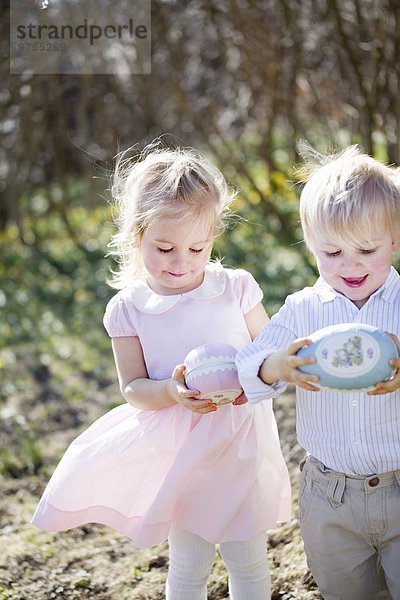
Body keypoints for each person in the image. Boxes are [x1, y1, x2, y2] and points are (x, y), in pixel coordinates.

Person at [32, 143, 291, 600]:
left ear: (214, 237)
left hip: (240, 442)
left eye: (198, 247)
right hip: (183, 452)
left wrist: (250, 383)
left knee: (247, 558)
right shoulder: (129, 310)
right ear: (136, 236)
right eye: (166, 247)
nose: (182, 262)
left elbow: (270, 353)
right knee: (188, 562)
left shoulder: (236, 289)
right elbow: (133, 388)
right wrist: (171, 391)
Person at [236, 145, 400, 600]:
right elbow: (249, 363)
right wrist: (279, 365)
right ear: (310, 246)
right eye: (331, 252)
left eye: (367, 249)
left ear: (396, 240)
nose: (350, 265)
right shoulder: (303, 310)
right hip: (331, 496)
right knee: (344, 589)